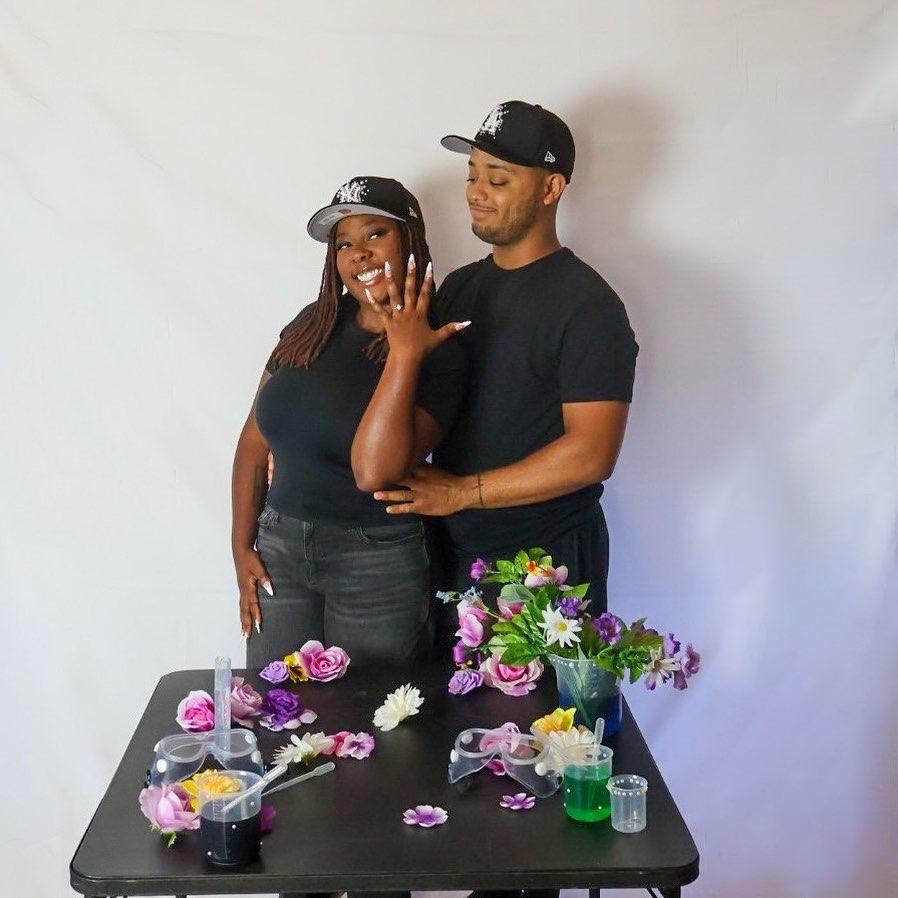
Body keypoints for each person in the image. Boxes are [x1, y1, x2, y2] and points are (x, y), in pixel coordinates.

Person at [374, 101, 639, 651]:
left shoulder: (588, 306)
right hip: (448, 550)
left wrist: (462, 493)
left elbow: (592, 453)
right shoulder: (458, 289)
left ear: (551, 188)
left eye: (497, 179)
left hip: (544, 562)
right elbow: (412, 398)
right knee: (443, 705)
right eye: (472, 175)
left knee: (542, 711)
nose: (476, 192)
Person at [231, 176, 467, 669]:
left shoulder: (441, 348)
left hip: (375, 558)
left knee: (372, 710)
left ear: (411, 240)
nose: (359, 253)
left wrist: (403, 354)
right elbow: (255, 438)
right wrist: (241, 545)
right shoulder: (312, 325)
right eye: (344, 243)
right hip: (279, 546)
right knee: (275, 701)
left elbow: (374, 472)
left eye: (376, 233)